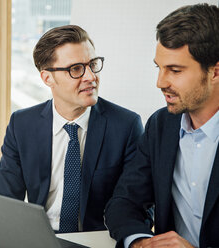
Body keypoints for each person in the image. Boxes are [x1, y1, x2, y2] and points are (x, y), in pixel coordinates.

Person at [0, 25, 143, 233]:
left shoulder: (126, 126)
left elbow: (137, 205)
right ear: (47, 78)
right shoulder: (22, 125)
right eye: (76, 69)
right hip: (41, 238)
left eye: (92, 64)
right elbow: (5, 202)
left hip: (99, 240)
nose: (90, 76)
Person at [104, 3, 219, 248]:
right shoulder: (161, 124)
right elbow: (124, 201)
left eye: (174, 71)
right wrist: (140, 242)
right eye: (159, 68)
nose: (160, 82)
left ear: (215, 72)